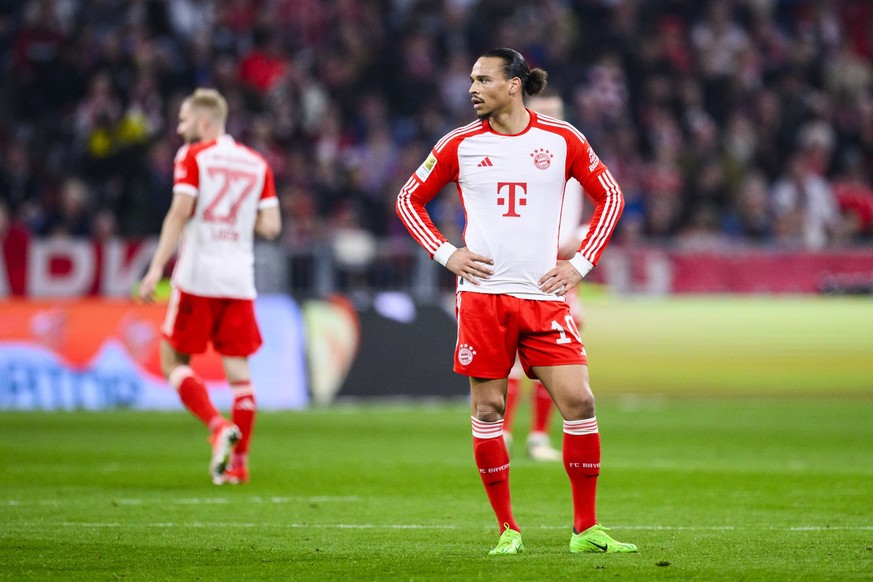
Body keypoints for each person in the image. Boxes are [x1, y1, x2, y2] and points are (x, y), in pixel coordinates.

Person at [396, 48, 636, 555]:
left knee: (581, 401)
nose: (472, 88)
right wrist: (446, 253)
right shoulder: (458, 144)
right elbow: (407, 199)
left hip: (544, 298)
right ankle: (508, 529)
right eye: (471, 79)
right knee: (488, 410)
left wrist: (581, 264)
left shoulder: (562, 139)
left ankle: (586, 529)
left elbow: (611, 195)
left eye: (483, 79)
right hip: (483, 299)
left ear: (515, 85)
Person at [139, 88, 281, 485]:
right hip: (238, 280)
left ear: (204, 122)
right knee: (240, 376)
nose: (179, 127)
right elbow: (271, 226)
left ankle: (218, 427)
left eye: (183, 119)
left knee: (173, 364)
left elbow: (179, 213)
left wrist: (155, 270)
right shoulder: (257, 162)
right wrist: (237, 220)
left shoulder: (192, 155)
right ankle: (239, 466)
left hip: (198, 276)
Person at [502, 92, 589, 463]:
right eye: (546, 113)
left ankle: (537, 436)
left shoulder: (573, 158)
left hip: (560, 271)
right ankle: (502, 433)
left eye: (559, 113)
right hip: (522, 270)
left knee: (557, 359)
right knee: (511, 358)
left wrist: (580, 238)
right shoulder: (517, 159)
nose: (554, 119)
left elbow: (600, 206)